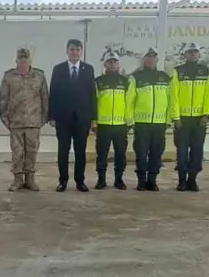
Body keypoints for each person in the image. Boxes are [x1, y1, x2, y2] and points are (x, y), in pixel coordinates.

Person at [48, 38, 97, 192]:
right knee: (63, 150)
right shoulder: (58, 69)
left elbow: (92, 94)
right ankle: (63, 181)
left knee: (80, 151)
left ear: (81, 51)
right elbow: (53, 93)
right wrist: (52, 116)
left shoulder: (88, 69)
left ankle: (80, 181)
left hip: (82, 119)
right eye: (72, 49)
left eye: (77, 49)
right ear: (67, 51)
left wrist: (93, 118)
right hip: (63, 118)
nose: (74, 52)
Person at [0, 47, 49, 192]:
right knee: (17, 152)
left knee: (32, 151)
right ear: (16, 60)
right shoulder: (9, 76)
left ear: (29, 60)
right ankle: (17, 179)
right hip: (15, 122)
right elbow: (3, 99)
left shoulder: (39, 76)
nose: (23, 62)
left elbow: (45, 97)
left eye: (25, 59)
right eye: (20, 59)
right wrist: (5, 119)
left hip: (34, 121)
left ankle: (30, 179)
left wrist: (44, 117)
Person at [171, 42, 209, 191]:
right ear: (185, 55)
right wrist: (176, 117)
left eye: (195, 52)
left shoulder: (206, 72)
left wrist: (206, 114)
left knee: (197, 151)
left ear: (199, 54)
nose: (192, 54)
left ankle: (192, 180)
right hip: (182, 120)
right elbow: (174, 96)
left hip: (199, 120)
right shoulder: (177, 71)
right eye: (189, 52)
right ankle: (181, 180)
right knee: (182, 151)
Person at [126, 48, 174, 191]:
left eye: (154, 57)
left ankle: (152, 180)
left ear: (157, 60)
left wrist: (168, 120)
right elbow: (129, 101)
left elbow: (170, 100)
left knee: (156, 153)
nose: (151, 59)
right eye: (148, 56)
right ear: (144, 59)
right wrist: (130, 121)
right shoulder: (136, 77)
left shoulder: (165, 77)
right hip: (141, 124)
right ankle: (141, 180)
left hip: (159, 124)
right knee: (141, 153)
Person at [93, 50, 130, 190]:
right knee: (102, 154)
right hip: (103, 125)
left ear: (118, 64)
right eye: (109, 61)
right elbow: (94, 103)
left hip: (121, 125)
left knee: (120, 155)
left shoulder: (125, 81)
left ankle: (119, 180)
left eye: (115, 61)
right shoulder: (98, 82)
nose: (112, 64)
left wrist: (128, 121)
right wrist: (94, 122)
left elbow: (129, 102)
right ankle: (101, 180)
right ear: (105, 64)